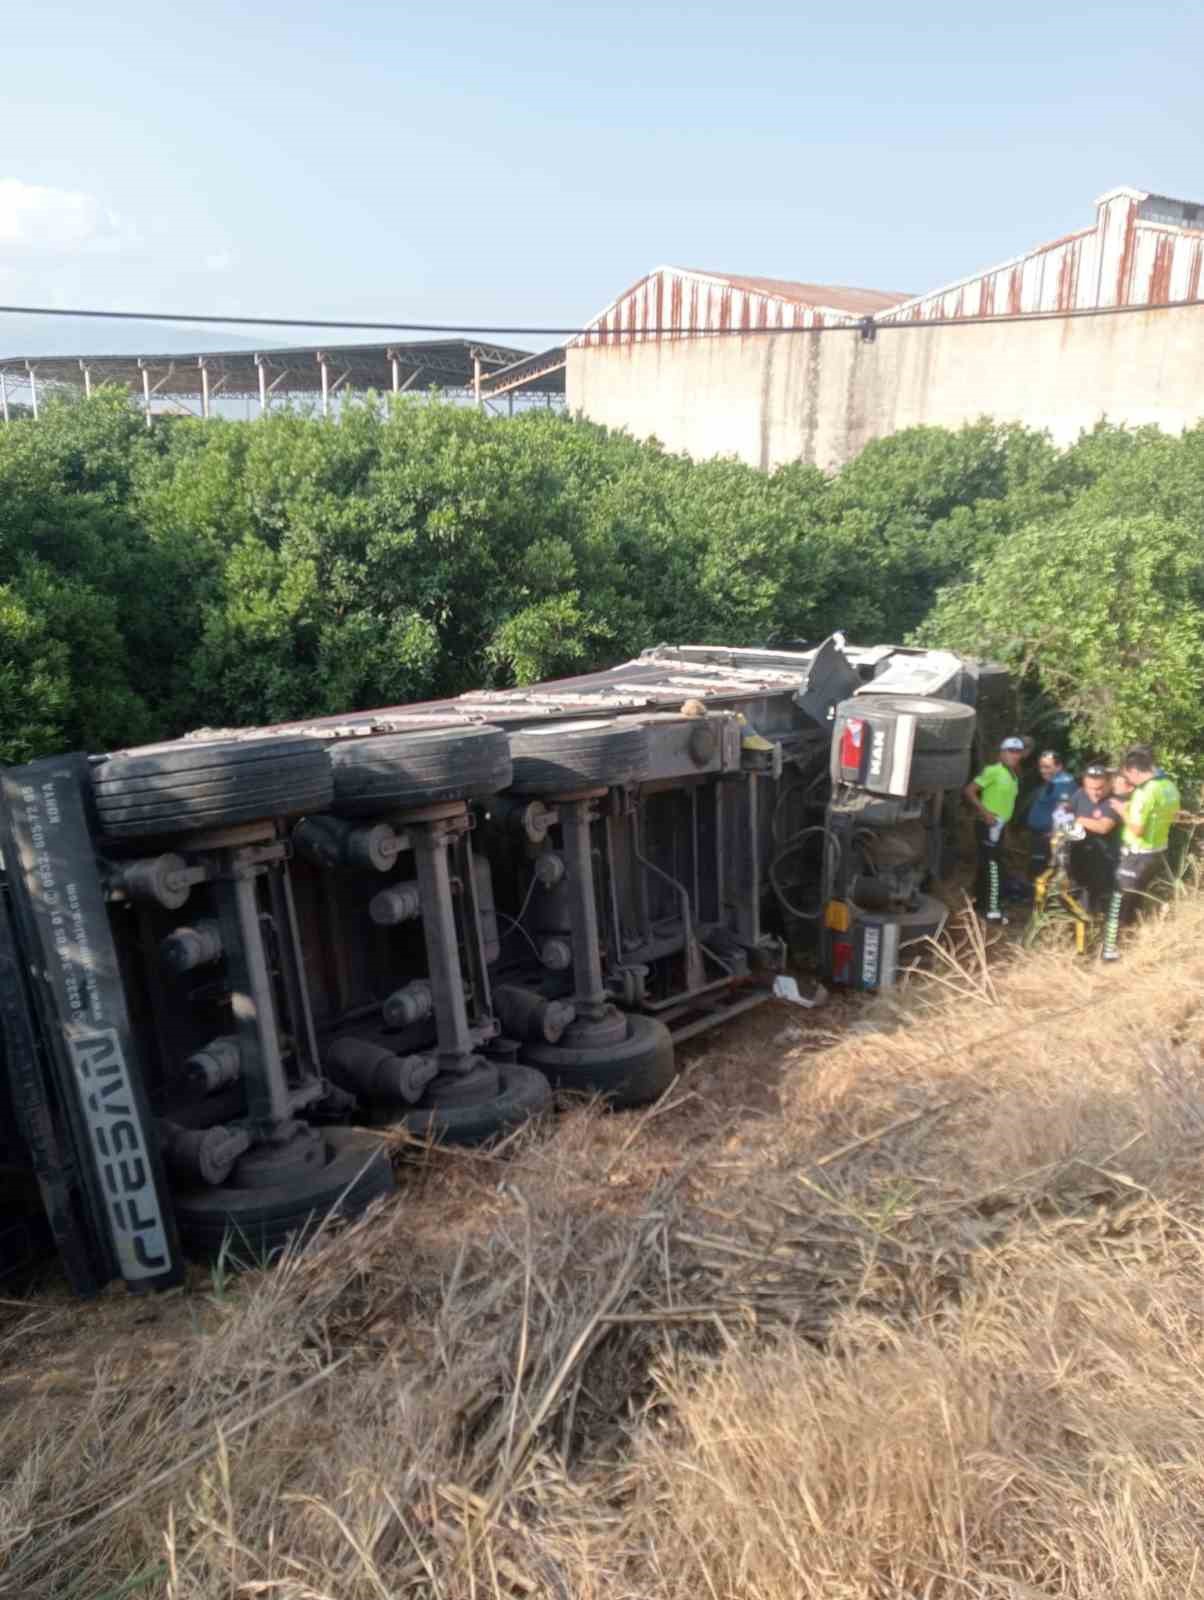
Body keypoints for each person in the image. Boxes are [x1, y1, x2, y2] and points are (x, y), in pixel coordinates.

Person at [1101, 746, 1181, 961]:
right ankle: (1129, 942)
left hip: (1137, 854)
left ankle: (1109, 951)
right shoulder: (1169, 786)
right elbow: (1169, 815)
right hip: (1156, 854)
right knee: (1135, 898)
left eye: (1129, 777)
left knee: (1118, 899)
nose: (1129, 782)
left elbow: (1137, 828)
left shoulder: (1144, 792)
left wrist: (1122, 811)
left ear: (1135, 771)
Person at [964, 735, 1030, 922]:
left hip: (1000, 827)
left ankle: (979, 903)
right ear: (1002, 753)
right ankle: (992, 910)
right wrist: (985, 813)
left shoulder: (1014, 775)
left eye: (1017, 752)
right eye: (1010, 751)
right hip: (988, 825)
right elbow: (970, 791)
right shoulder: (993, 771)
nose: (1014, 755)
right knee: (993, 867)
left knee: (989, 865)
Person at [1068, 763, 1121, 914]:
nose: (1095, 792)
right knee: (1078, 895)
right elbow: (1067, 809)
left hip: (1104, 861)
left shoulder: (1113, 801)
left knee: (1099, 901)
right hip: (1079, 855)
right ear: (1085, 784)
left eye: (1100, 788)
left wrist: (1078, 820)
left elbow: (1103, 827)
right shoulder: (1080, 794)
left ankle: (1095, 929)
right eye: (1091, 788)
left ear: (1108, 784)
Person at [1024, 750, 1078, 878]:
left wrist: (1055, 833)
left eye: (1047, 767)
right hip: (1040, 837)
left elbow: (1064, 809)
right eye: (1041, 767)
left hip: (1048, 838)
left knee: (1042, 876)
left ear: (1059, 766)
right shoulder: (1054, 781)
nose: (1043, 770)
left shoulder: (1063, 783)